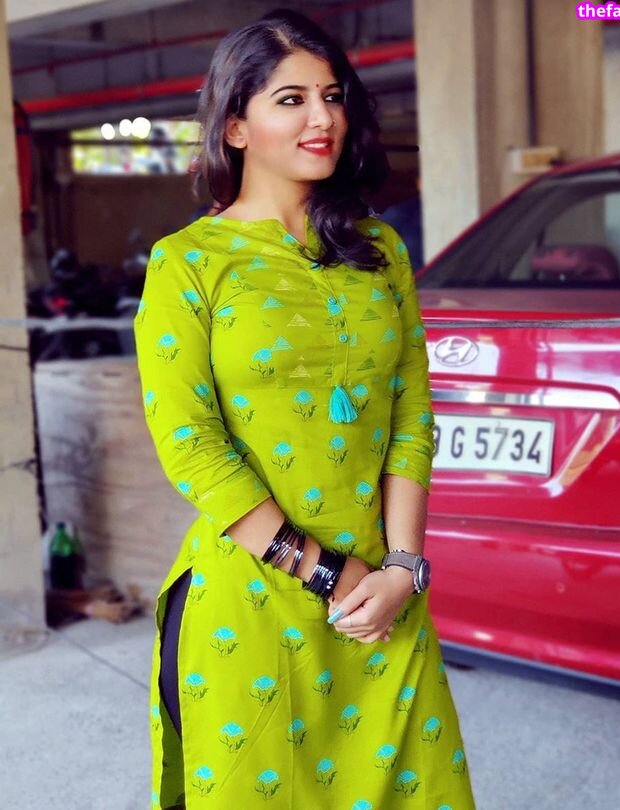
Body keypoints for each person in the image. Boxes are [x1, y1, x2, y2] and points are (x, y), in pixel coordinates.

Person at [134, 8, 476, 809]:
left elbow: (409, 415)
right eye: (290, 99)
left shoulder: (378, 250)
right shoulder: (188, 263)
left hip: (382, 603)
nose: (321, 118)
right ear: (236, 127)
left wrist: (402, 569)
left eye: (331, 96)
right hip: (252, 604)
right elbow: (190, 445)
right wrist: (328, 572)